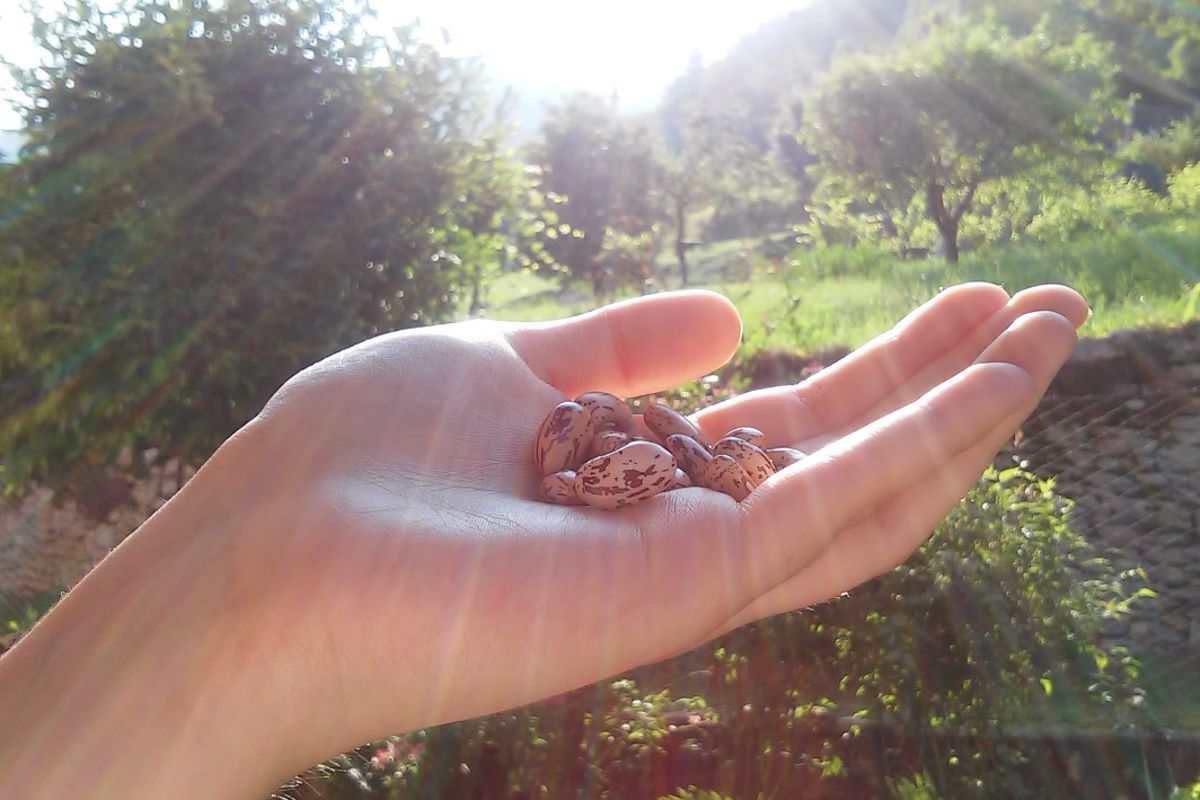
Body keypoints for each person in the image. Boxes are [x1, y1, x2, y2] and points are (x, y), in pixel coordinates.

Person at [0, 283, 1088, 799]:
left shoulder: (655, 454)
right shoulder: (585, 461)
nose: (647, 464)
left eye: (647, 461)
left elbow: (677, 453)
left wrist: (222, 626)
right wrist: (257, 578)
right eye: (627, 462)